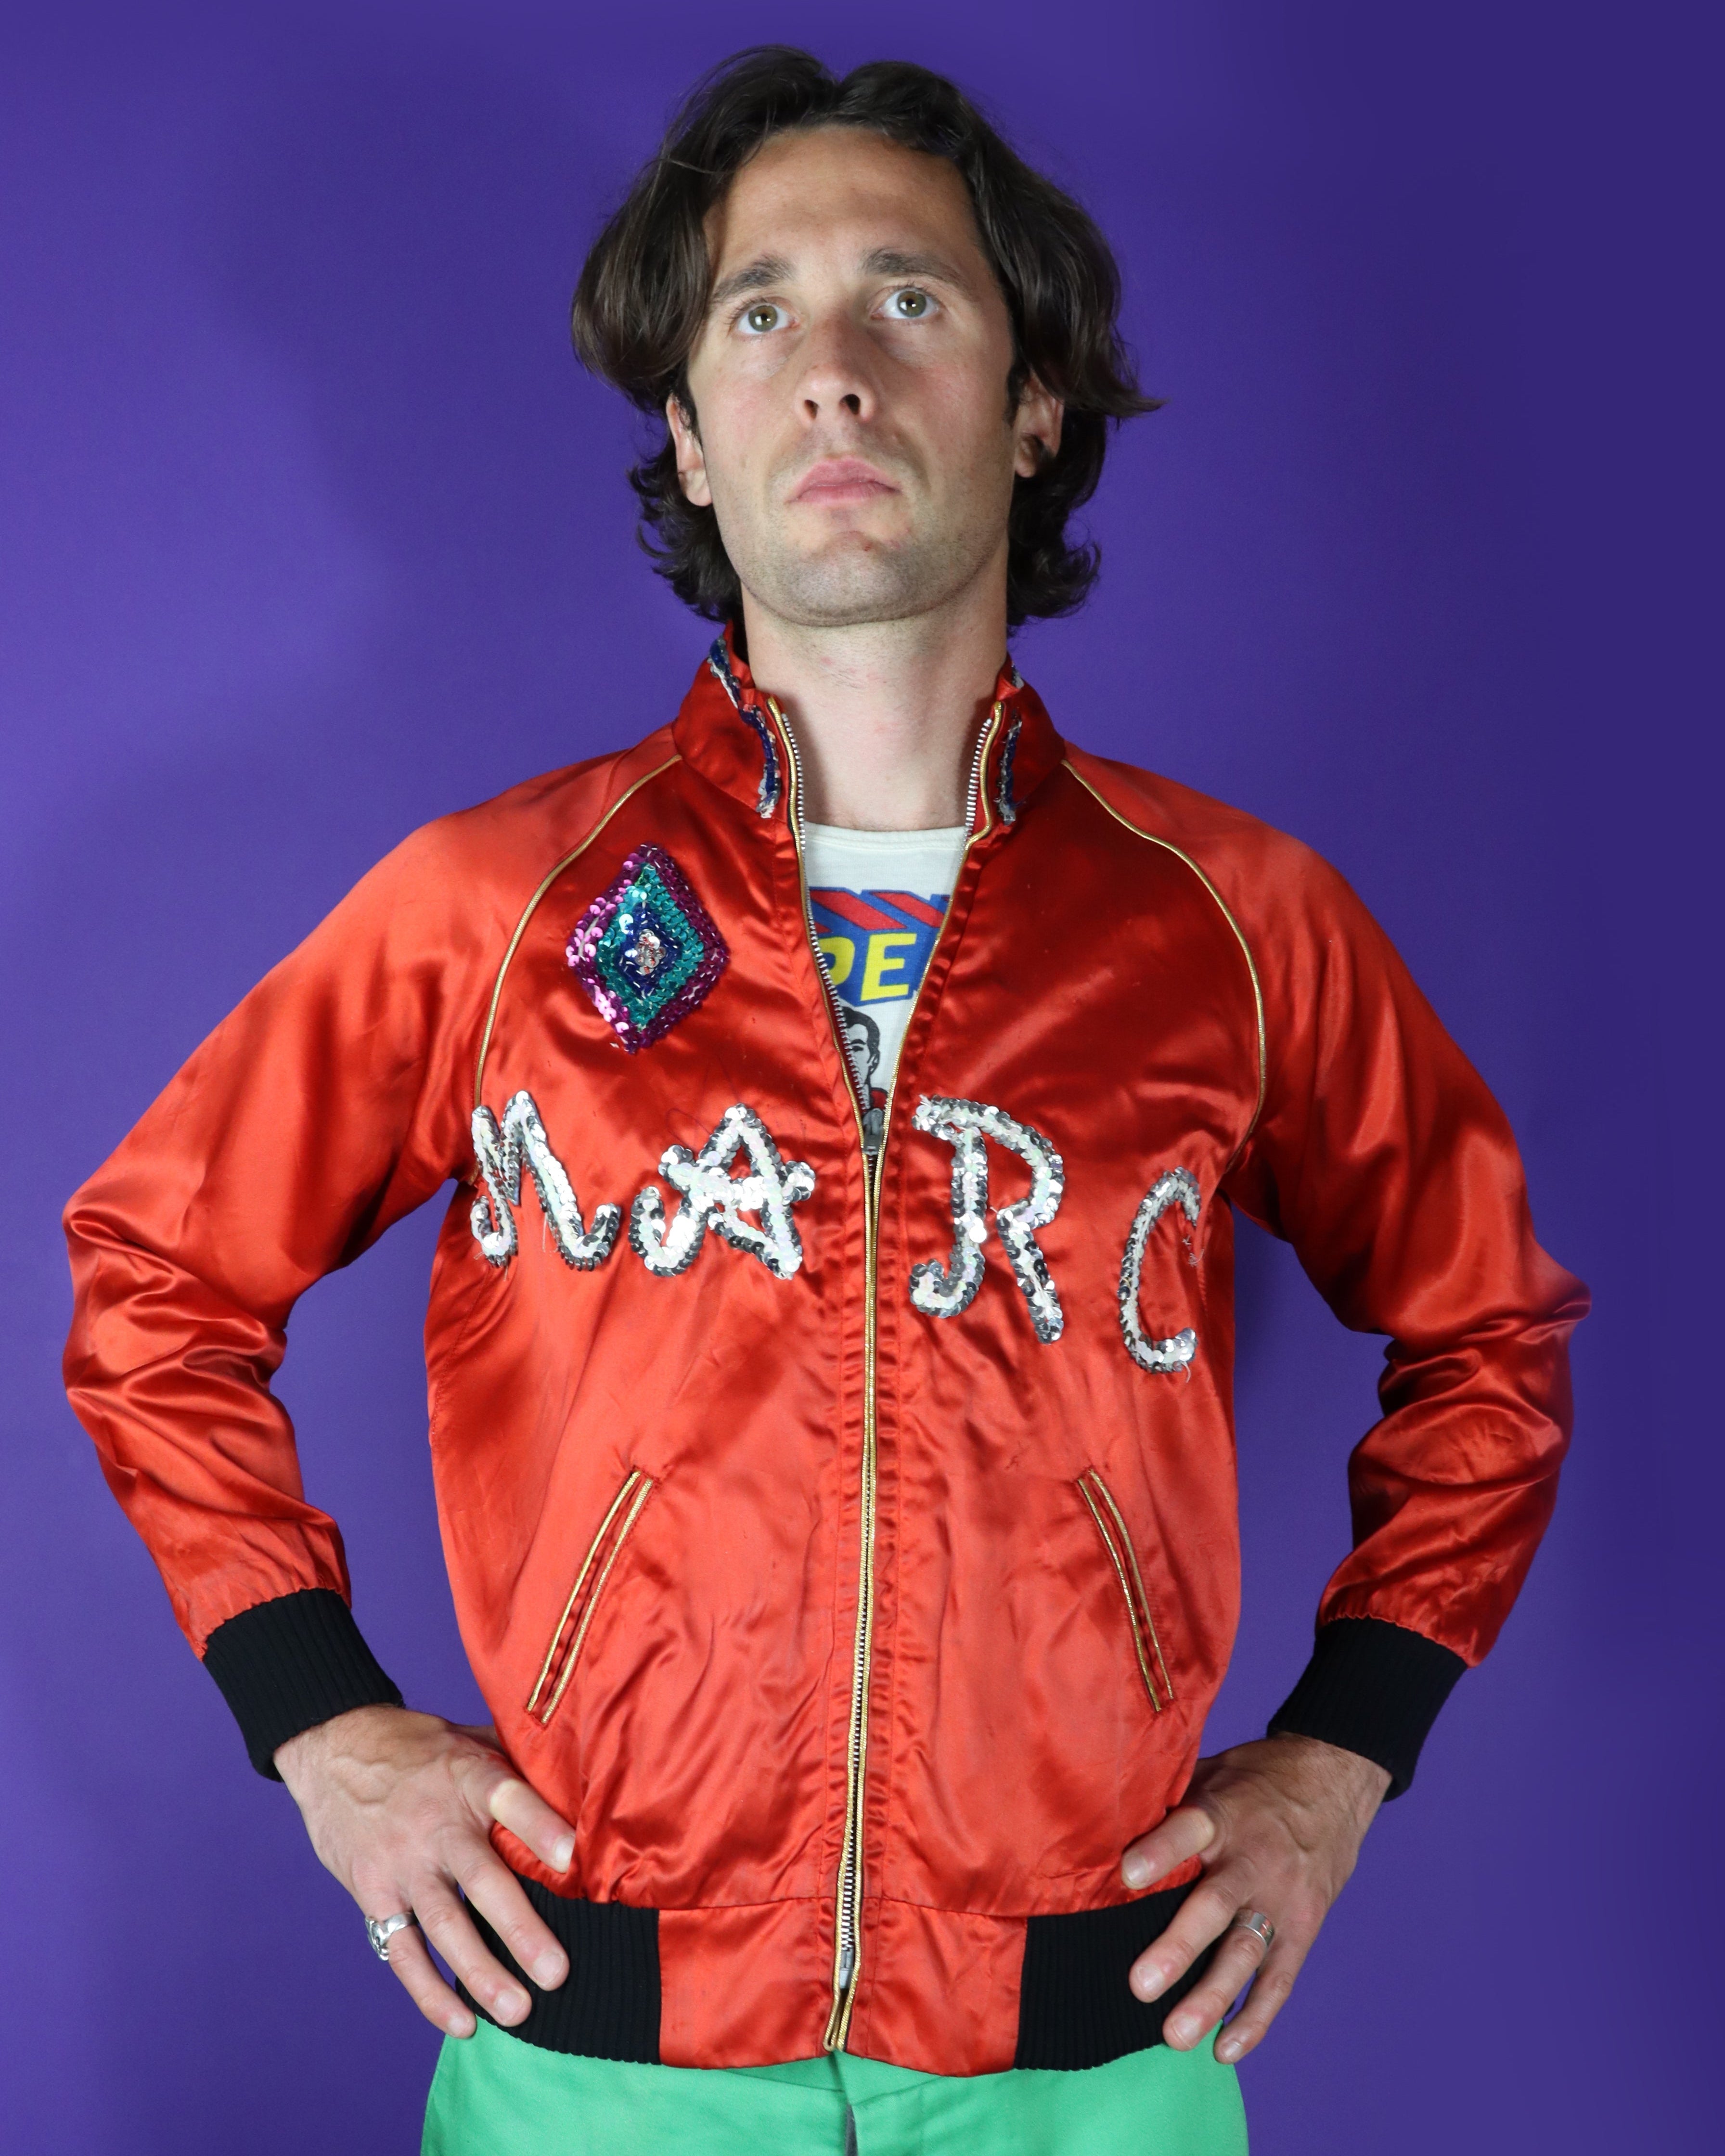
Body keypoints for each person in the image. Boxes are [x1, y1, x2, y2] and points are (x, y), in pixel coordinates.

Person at [62, 46, 1587, 2156]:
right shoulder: (494, 909)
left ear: (1032, 401)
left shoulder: (1236, 923)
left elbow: (1490, 1332)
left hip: (1093, 2062)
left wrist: (1342, 1757)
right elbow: (154, 1277)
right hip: (595, 2058)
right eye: (759, 313)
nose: (836, 372)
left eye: (910, 298)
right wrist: (322, 1728)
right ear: (690, 437)